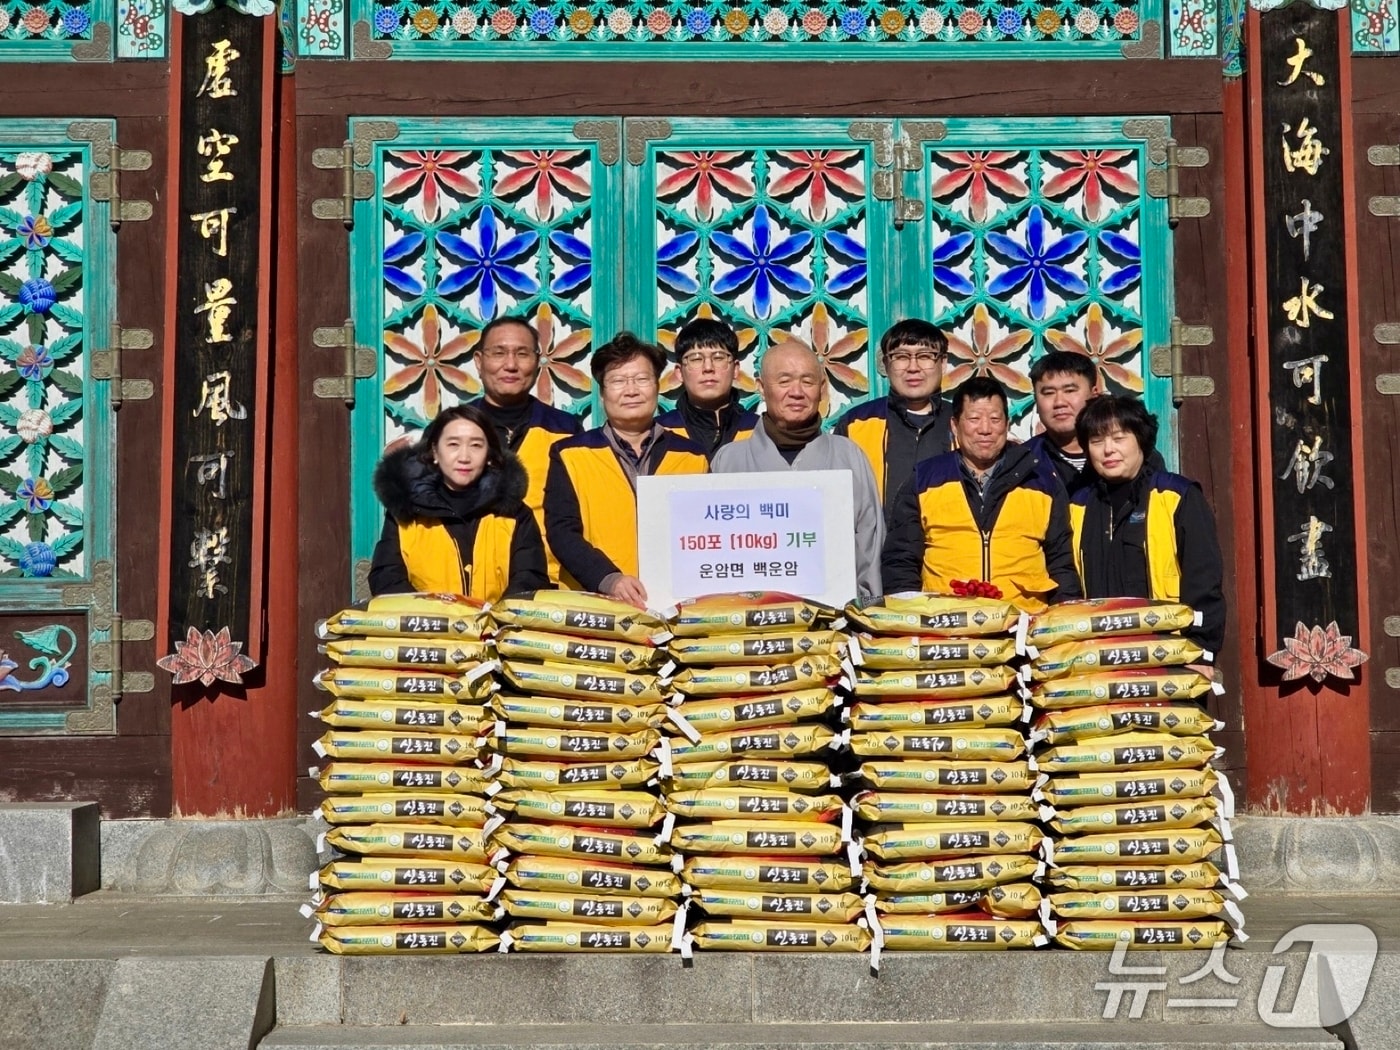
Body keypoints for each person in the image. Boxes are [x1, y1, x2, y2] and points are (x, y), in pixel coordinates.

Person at [882, 376, 1080, 613]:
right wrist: (909, 617)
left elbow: (1061, 562)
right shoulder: (925, 479)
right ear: (955, 425)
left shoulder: (1041, 480)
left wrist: (1065, 616)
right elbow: (902, 559)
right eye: (974, 419)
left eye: (995, 419)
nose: (985, 429)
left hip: (1023, 622)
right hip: (946, 623)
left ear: (1006, 425)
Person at [544, 332, 708, 606]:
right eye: (618, 381)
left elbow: (703, 533)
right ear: (601, 393)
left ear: (657, 386)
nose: (631, 390)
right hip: (594, 603)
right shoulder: (570, 454)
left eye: (642, 379)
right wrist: (609, 579)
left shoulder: (692, 455)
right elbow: (562, 532)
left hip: (675, 604)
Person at [712, 340, 884, 599]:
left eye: (807, 381)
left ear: (822, 388)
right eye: (784, 381)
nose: (797, 392)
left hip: (834, 618)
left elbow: (869, 544)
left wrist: (865, 609)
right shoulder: (729, 460)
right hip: (750, 620)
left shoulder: (849, 455)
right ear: (761, 387)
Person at [1069, 395, 1225, 658]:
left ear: (1141, 440)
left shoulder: (1176, 496)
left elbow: (1204, 580)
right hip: (1095, 658)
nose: (1108, 449)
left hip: (1169, 653)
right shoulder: (1076, 507)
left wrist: (1202, 650)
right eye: (1097, 441)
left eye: (1119, 438)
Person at [369, 403, 548, 601]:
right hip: (425, 627)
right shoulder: (405, 512)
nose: (464, 457)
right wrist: (434, 612)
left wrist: (494, 618)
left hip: (498, 627)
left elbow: (530, 578)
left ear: (489, 455)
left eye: (476, 445)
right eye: (453, 444)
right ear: (435, 452)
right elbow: (387, 578)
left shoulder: (514, 514)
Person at [467, 316, 582, 583]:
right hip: (468, 583)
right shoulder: (451, 431)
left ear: (538, 361)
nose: (510, 365)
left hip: (549, 584)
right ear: (479, 361)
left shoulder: (565, 430)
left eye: (522, 354)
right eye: (498, 353)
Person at [835, 318, 954, 515]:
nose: (913, 367)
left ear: (942, 363)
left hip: (945, 544)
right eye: (901, 357)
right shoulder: (856, 424)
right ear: (886, 364)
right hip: (877, 545)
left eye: (925, 356)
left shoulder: (962, 421)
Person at [657, 317, 758, 458]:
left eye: (718, 358)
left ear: (735, 369)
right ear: (679, 372)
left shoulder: (758, 431)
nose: (708, 368)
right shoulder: (659, 433)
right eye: (696, 359)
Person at [1024, 350, 1099, 494]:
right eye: (1048, 393)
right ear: (1036, 400)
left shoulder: (1126, 455)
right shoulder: (1021, 463)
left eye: (1070, 391)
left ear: (1093, 394)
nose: (1059, 402)